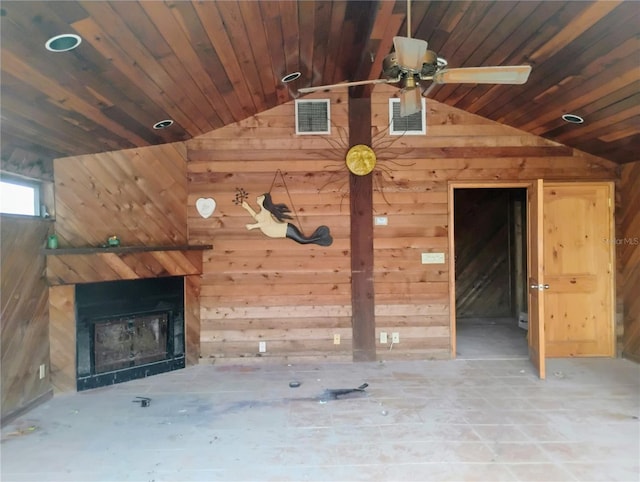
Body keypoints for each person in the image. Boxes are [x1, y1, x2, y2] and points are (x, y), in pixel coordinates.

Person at [241, 193, 333, 246]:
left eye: (260, 197)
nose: (258, 197)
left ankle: (321, 237)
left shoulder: (266, 212)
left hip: (286, 229)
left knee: (302, 241)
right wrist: (247, 207)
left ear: (264, 201)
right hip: (282, 231)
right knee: (303, 241)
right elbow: (257, 217)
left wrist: (253, 226)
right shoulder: (262, 212)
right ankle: (320, 237)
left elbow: (266, 222)